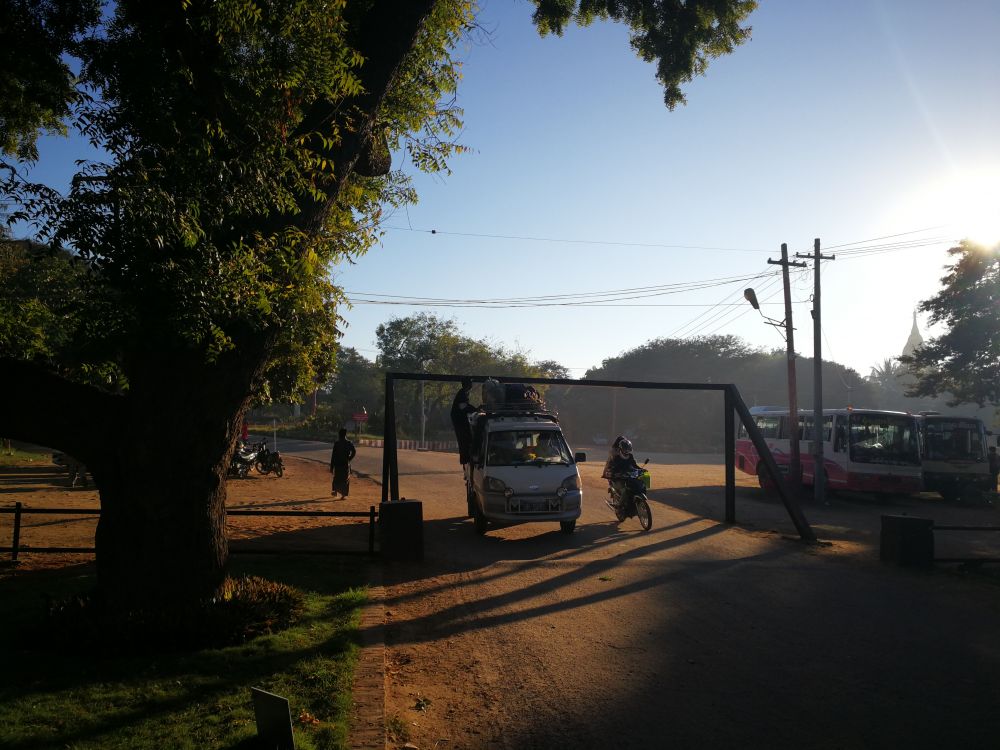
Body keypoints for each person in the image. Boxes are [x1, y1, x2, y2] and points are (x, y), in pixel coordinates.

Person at [450, 377, 478, 465]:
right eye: (470, 383)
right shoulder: (462, 394)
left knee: (465, 439)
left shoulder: (464, 393)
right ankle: (465, 459)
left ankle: (466, 458)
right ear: (467, 385)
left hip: (461, 420)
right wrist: (476, 409)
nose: (472, 385)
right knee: (464, 439)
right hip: (459, 421)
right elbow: (463, 406)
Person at [330, 428, 356, 499]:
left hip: (337, 464)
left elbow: (333, 456)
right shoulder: (349, 443)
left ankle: (335, 491)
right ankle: (343, 495)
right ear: (345, 434)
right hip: (345, 464)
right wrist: (349, 459)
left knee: (336, 478)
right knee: (345, 479)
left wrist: (331, 467)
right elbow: (354, 451)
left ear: (339, 435)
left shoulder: (337, 443)